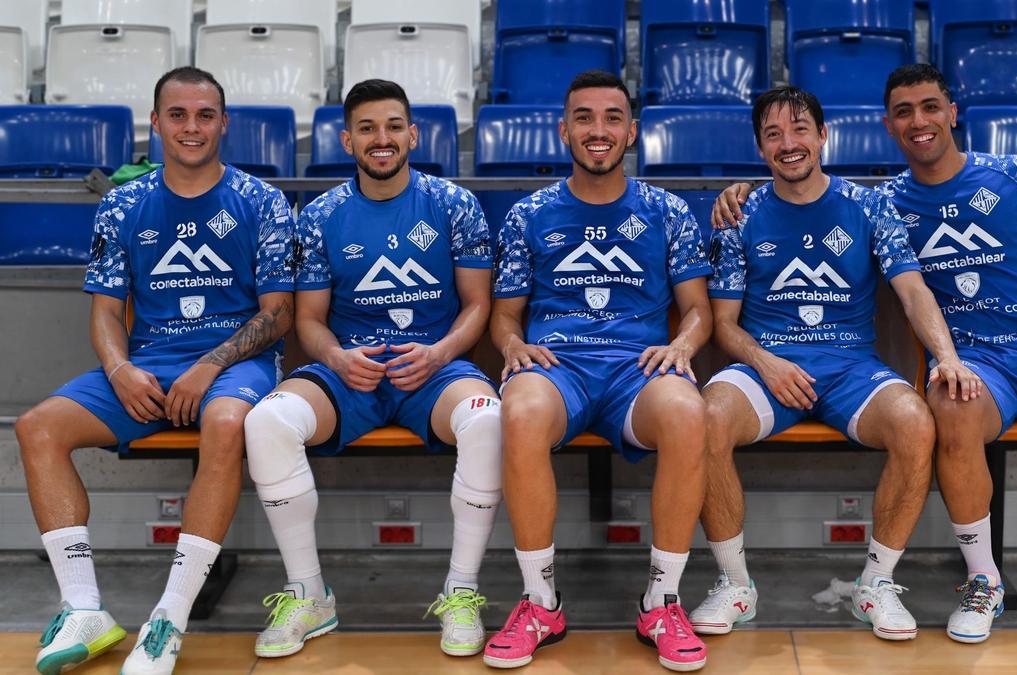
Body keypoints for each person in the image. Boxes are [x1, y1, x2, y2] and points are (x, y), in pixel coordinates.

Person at [712, 64, 1017, 645]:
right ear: (888, 126)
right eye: (904, 113)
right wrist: (738, 192)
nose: (919, 121)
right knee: (953, 407)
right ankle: (982, 580)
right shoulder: (883, 202)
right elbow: (803, 207)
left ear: (952, 112)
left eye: (930, 107)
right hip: (979, 366)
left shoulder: (1015, 174)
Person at [17, 66, 296, 675]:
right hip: (147, 365)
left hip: (235, 363)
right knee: (38, 428)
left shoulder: (262, 201)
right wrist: (117, 369)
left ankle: (168, 617)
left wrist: (209, 364)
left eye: (203, 115)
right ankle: (84, 607)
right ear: (156, 122)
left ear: (223, 123)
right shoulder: (123, 204)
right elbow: (106, 312)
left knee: (225, 423)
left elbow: (278, 315)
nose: (191, 127)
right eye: (178, 115)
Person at [688, 86, 978, 643]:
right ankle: (734, 585)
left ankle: (876, 583)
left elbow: (913, 290)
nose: (788, 144)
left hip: (850, 368)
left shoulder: (871, 205)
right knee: (706, 417)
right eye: (773, 135)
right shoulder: (741, 213)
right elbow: (723, 323)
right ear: (759, 147)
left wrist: (947, 357)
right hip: (768, 365)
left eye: (800, 130)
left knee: (916, 423)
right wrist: (766, 363)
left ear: (823, 136)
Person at [241, 79, 501, 659]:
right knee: (267, 424)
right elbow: (308, 319)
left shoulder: (455, 204)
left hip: (433, 368)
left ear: (413, 133)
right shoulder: (322, 214)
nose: (380, 140)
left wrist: (439, 353)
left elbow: (478, 304)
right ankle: (309, 595)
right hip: (350, 369)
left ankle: (461, 593)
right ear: (346, 139)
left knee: (487, 422)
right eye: (366, 129)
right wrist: (336, 357)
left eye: (391, 127)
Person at [483, 70, 712, 672]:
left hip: (638, 370)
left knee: (690, 412)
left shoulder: (668, 211)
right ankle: (541, 603)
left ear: (632, 132)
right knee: (523, 409)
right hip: (559, 367)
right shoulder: (528, 215)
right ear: (564, 130)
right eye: (584, 117)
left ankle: (662, 601)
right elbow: (504, 317)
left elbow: (697, 312)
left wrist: (684, 346)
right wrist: (511, 346)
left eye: (612, 118)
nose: (598, 130)